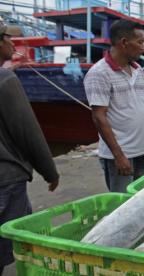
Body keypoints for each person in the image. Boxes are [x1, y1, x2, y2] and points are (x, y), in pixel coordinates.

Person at [84, 20, 144, 193]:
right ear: (124, 42)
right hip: (122, 154)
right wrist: (119, 156)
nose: (143, 47)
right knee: (123, 204)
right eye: (140, 42)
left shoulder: (138, 70)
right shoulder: (99, 73)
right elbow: (99, 117)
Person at [0, 24, 59, 274]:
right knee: (8, 247)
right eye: (8, 39)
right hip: (6, 179)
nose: (14, 44)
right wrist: (50, 171)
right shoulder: (5, 80)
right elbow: (27, 131)